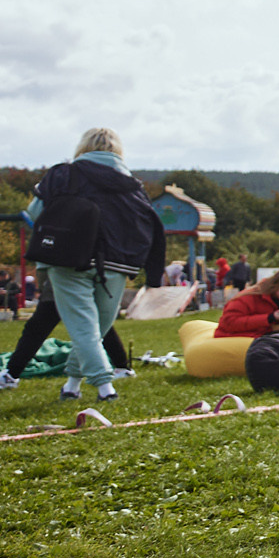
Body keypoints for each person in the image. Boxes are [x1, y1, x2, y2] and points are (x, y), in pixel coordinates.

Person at [20, 128, 164, 402]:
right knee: (94, 327)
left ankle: (104, 388)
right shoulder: (132, 186)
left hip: (68, 259)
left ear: (83, 147)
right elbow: (149, 225)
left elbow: (34, 212)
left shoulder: (63, 175)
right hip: (117, 263)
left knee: (84, 326)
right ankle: (73, 386)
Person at [2, 271, 134, 390]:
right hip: (82, 270)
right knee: (96, 326)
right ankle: (114, 373)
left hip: (68, 272)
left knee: (89, 328)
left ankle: (104, 387)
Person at [215, 264, 279, 336]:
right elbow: (228, 323)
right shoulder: (248, 297)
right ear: (275, 284)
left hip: (264, 337)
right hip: (235, 336)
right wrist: (269, 318)